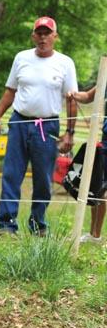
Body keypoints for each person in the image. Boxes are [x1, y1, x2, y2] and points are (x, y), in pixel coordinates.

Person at [0, 16, 77, 235]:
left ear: (55, 36)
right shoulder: (22, 58)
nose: (43, 37)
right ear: (33, 36)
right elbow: (10, 90)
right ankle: (6, 225)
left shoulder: (65, 63)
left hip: (46, 126)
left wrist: (69, 132)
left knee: (43, 179)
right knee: (11, 174)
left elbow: (71, 99)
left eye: (47, 33)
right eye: (39, 33)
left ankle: (38, 224)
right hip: (19, 122)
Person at [67, 85, 106, 244]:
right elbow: (88, 96)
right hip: (106, 142)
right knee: (99, 188)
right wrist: (75, 95)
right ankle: (94, 235)